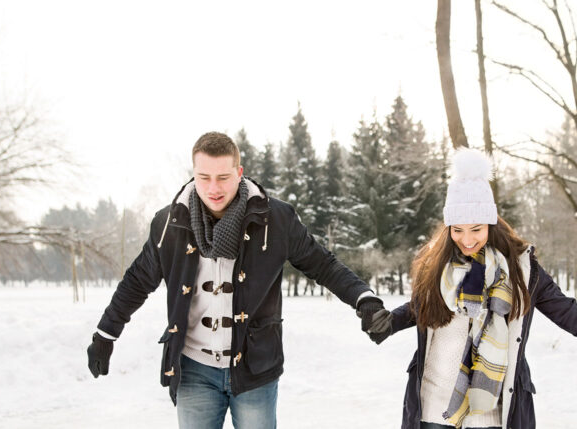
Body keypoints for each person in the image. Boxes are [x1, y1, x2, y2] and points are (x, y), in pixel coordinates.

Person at [86, 132, 390, 429]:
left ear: (239, 172)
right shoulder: (169, 223)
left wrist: (364, 298)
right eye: (204, 177)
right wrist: (105, 333)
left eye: (223, 177)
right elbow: (137, 281)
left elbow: (323, 265)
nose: (213, 188)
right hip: (193, 369)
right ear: (193, 174)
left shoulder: (276, 219)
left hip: (254, 368)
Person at [366, 148, 577, 429]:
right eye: (458, 230)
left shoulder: (522, 271)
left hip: (493, 410)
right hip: (434, 407)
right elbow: (420, 309)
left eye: (476, 229)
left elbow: (574, 316)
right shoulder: (434, 265)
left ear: (491, 222)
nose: (467, 239)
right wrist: (389, 323)